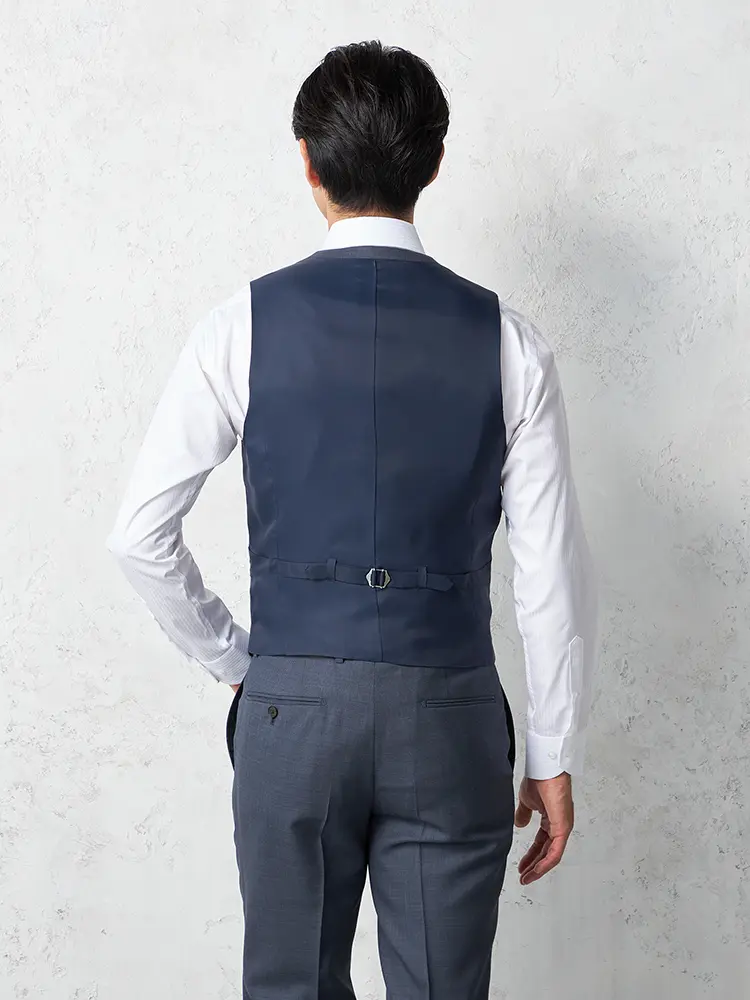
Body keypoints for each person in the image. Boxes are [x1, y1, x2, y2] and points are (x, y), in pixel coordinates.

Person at [107, 39, 597, 1000]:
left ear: (307, 160)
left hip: (289, 711)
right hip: (450, 716)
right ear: (435, 162)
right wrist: (553, 751)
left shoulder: (237, 327)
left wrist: (238, 661)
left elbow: (138, 536)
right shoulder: (510, 342)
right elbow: (551, 576)